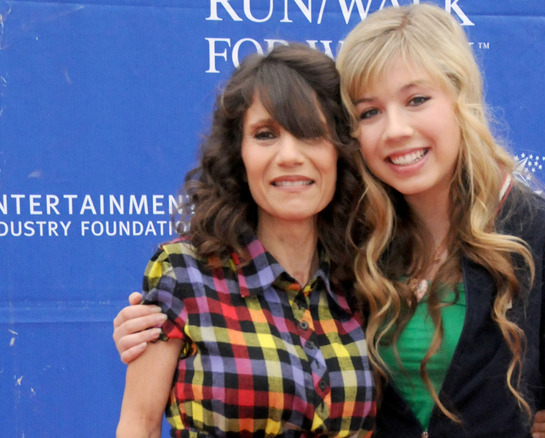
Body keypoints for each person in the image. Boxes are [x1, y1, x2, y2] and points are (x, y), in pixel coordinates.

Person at [333, 4, 545, 437]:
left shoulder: (544, 235)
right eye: (369, 112)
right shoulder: (357, 239)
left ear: (460, 98)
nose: (394, 129)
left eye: (416, 100)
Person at [115, 44, 375, 437]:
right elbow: (140, 426)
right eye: (266, 134)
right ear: (239, 153)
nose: (289, 155)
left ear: (341, 151)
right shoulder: (183, 274)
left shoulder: (367, 283)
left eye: (311, 133)